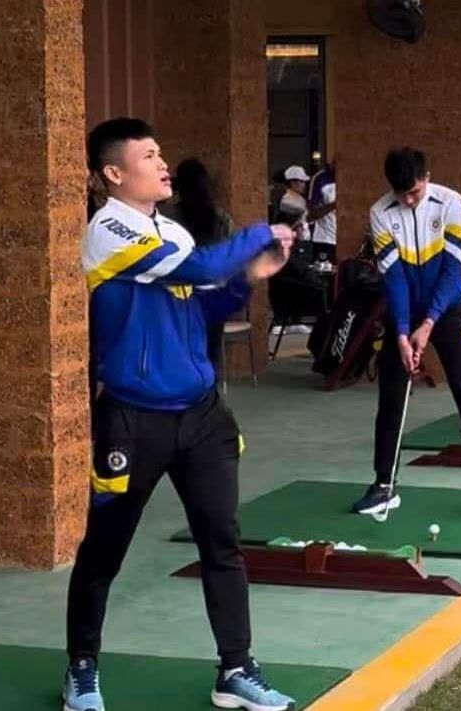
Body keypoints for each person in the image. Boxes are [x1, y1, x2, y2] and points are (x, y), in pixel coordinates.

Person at [67, 118, 297, 711]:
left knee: (223, 542)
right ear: (114, 173)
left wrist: (249, 276)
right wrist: (255, 233)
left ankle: (236, 670)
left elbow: (202, 306)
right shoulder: (109, 228)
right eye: (149, 154)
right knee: (103, 553)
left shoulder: (171, 230)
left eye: (161, 151)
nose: (163, 162)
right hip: (132, 419)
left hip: (199, 417)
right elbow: (194, 271)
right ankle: (82, 670)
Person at [353, 147, 461, 520]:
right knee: (390, 397)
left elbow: (452, 272)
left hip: (449, 308)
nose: (408, 201)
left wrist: (429, 323)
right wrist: (404, 334)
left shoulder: (452, 203)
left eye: (415, 193)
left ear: (427, 177)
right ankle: (384, 484)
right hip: (406, 311)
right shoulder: (380, 213)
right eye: (401, 194)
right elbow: (394, 280)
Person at [160, 158, 235, 371]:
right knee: (209, 353)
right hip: (213, 293)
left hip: (175, 294)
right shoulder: (220, 218)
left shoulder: (166, 217)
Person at [305, 162, 337, 263]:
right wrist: (334, 205)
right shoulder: (320, 178)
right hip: (325, 239)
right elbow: (311, 214)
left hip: (346, 238)